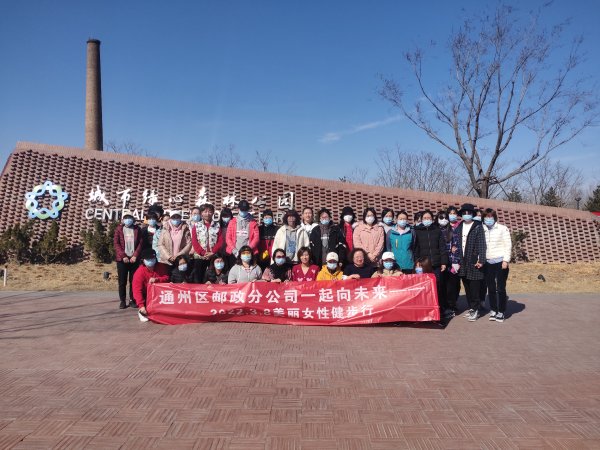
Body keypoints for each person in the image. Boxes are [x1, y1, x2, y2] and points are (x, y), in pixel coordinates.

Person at [413, 210, 451, 318]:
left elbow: (442, 247)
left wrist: (444, 262)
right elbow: (416, 249)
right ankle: (426, 310)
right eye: (425, 218)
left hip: (436, 264)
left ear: (432, 219)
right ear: (421, 219)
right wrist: (417, 262)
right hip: (424, 265)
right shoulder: (417, 231)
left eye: (429, 218)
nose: (427, 220)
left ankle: (440, 310)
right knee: (425, 288)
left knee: (438, 287)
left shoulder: (437, 230)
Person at [455, 203, 486, 322]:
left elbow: (482, 244)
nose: (466, 215)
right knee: (467, 286)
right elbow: (455, 242)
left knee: (474, 287)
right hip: (462, 261)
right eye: (464, 213)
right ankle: (471, 308)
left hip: (473, 261)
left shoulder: (478, 226)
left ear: (472, 214)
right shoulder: (459, 226)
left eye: (469, 213)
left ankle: (476, 309)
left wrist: (481, 259)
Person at [483, 208, 512, 323]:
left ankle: (501, 311)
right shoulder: (482, 229)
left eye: (490, 217)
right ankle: (493, 309)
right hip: (488, 262)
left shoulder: (502, 228)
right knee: (490, 288)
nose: (488, 219)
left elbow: (508, 245)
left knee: (500, 288)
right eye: (486, 217)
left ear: (495, 218)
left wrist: (506, 260)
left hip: (500, 262)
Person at [114, 213, 144, 309]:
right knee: (122, 281)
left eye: (130, 218)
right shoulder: (119, 229)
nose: (128, 220)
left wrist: (135, 255)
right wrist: (123, 256)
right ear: (123, 220)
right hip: (122, 260)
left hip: (134, 259)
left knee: (133, 281)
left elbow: (140, 243)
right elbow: (116, 243)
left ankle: (132, 300)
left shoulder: (137, 229)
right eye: (126, 218)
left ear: (133, 220)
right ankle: (122, 301)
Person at [132, 248, 170, 321]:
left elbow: (167, 278)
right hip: (146, 295)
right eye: (148, 259)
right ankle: (141, 311)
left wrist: (157, 279)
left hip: (160, 294)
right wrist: (141, 306)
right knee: (148, 311)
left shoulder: (161, 267)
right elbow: (137, 291)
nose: (151, 260)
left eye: (152, 258)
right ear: (143, 260)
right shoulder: (139, 272)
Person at [190, 203, 224, 282]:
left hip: (213, 256)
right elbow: (194, 241)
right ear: (201, 213)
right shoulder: (196, 226)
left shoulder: (217, 225)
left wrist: (213, 252)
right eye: (205, 211)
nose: (207, 214)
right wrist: (203, 253)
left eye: (210, 211)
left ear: (213, 213)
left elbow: (220, 241)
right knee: (198, 278)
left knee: (212, 279)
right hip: (199, 257)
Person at [437, 210, 456, 317]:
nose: (443, 220)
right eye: (441, 218)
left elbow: (456, 246)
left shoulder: (452, 230)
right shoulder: (435, 230)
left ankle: (450, 306)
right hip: (439, 262)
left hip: (450, 263)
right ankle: (442, 307)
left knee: (450, 287)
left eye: (445, 218)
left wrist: (455, 262)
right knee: (441, 286)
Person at [386, 210, 415, 274]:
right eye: (400, 219)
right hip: (395, 265)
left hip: (408, 264)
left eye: (404, 219)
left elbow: (414, 246)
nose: (402, 221)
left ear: (407, 220)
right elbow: (388, 248)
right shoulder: (390, 232)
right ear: (396, 220)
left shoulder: (411, 232)